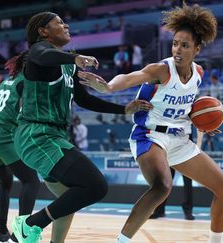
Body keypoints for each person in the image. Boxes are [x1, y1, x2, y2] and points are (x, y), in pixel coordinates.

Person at [78, 4, 223, 243]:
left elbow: (187, 106)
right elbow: (131, 77)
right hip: (149, 136)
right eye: (175, 43)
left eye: (185, 45)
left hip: (180, 138)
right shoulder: (162, 69)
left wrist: (202, 121)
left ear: (197, 49)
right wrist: (108, 86)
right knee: (162, 185)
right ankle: (122, 241)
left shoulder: (199, 74)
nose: (178, 49)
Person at [9, 12, 153, 243]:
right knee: (95, 186)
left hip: (54, 137)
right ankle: (29, 224)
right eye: (59, 23)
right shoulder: (37, 53)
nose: (66, 25)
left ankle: (32, 236)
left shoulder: (67, 65)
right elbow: (45, 55)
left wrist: (124, 109)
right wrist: (74, 59)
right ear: (43, 31)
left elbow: (85, 100)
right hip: (36, 136)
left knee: (68, 201)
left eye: (65, 22)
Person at [0, 68, 41, 242]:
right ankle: (20, 234)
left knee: (6, 182)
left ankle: (2, 232)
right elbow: (23, 114)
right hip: (2, 133)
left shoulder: (5, 81)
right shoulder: (26, 81)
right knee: (31, 180)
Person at [150, 131, 204, 220]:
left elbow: (199, 126)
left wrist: (198, 144)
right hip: (170, 149)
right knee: (165, 181)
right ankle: (159, 210)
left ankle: (188, 210)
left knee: (188, 181)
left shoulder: (187, 117)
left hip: (186, 149)